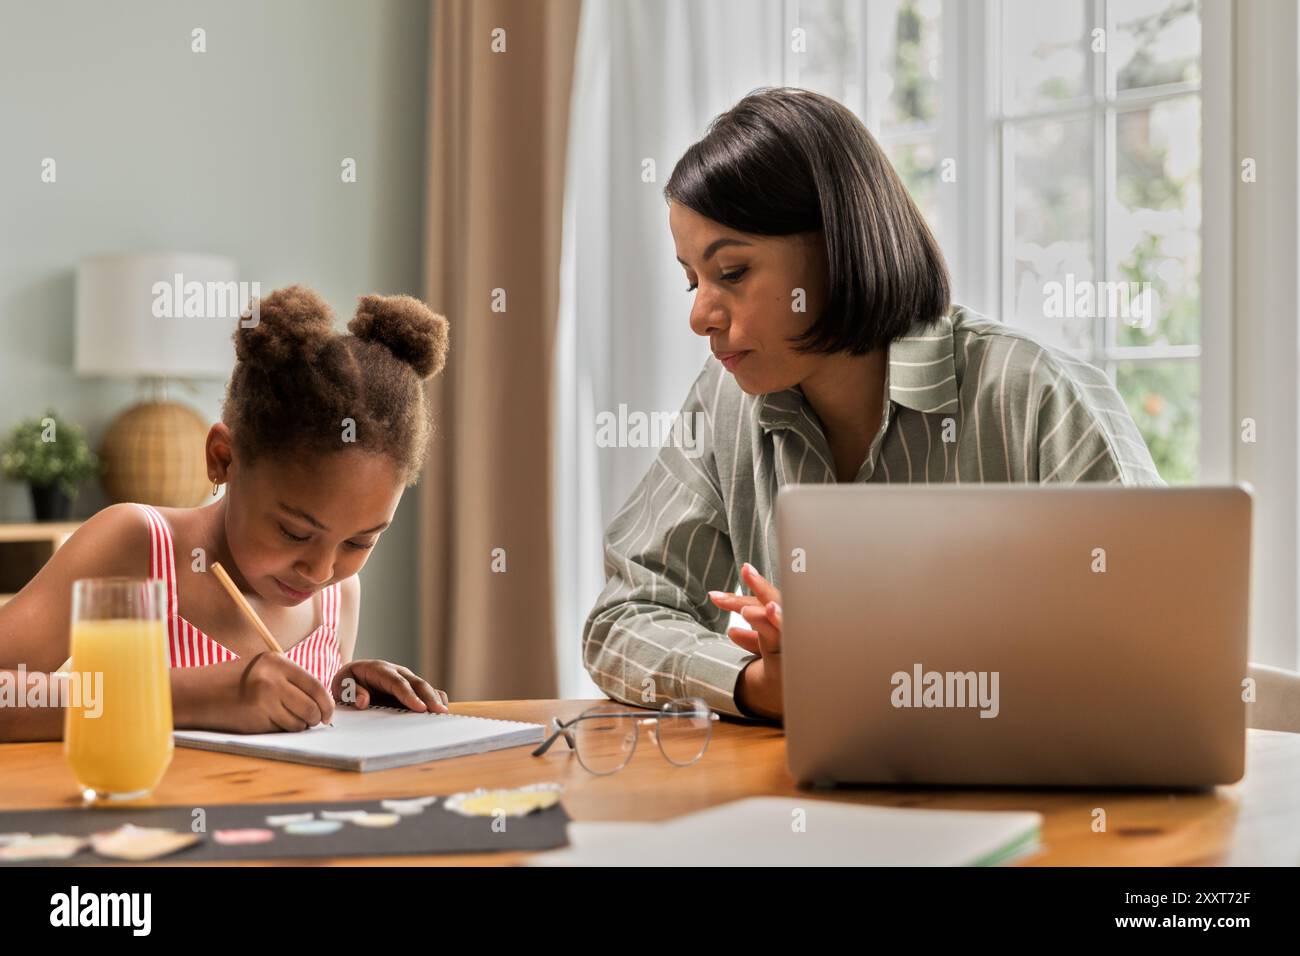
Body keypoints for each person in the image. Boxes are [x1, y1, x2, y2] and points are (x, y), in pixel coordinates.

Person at [582, 87, 1167, 722]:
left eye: (732, 272)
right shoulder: (726, 399)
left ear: (839, 243)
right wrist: (757, 682)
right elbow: (621, 618)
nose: (699, 316)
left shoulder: (1032, 396)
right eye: (691, 280)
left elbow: (1159, 648)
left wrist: (875, 668)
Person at [0, 285, 450, 741]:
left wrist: (345, 695)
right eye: (294, 532)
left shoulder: (339, 596)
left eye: (360, 542)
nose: (320, 570)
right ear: (223, 457)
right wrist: (193, 698)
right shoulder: (138, 544)